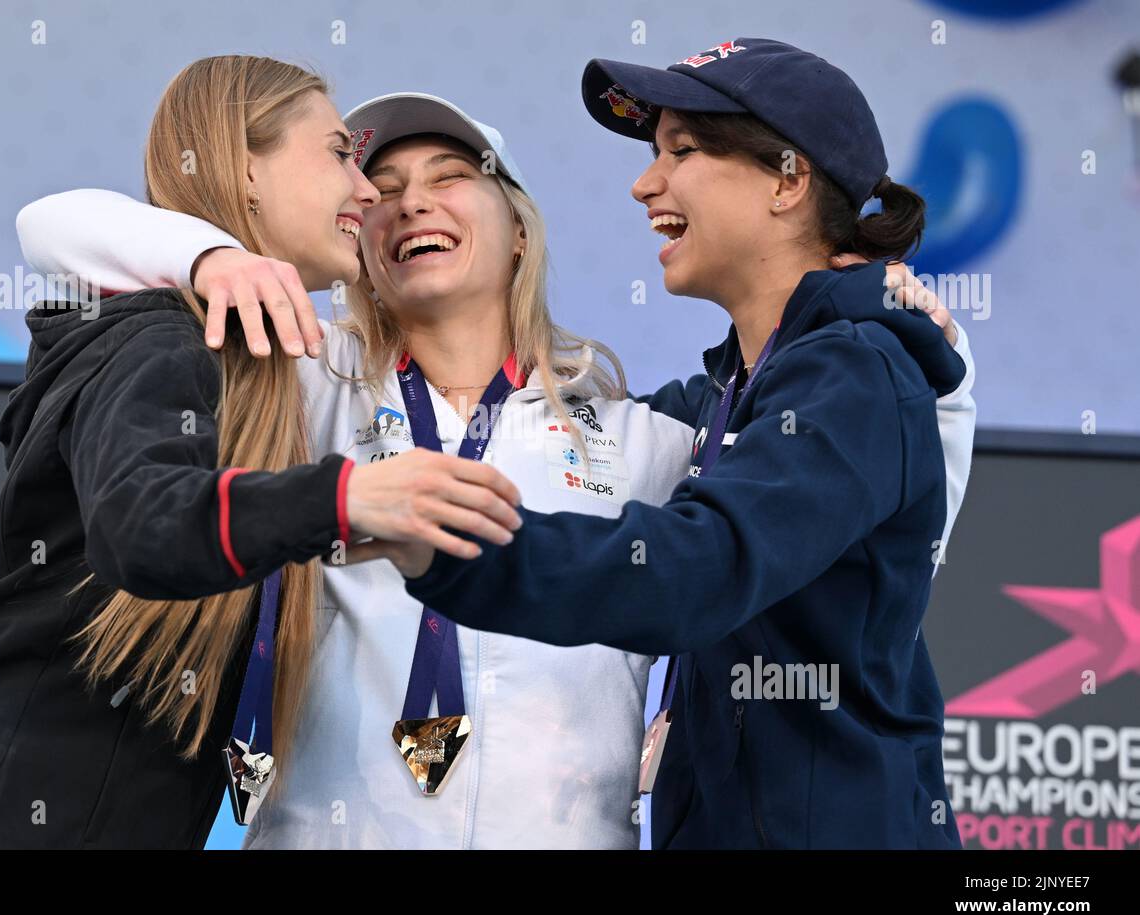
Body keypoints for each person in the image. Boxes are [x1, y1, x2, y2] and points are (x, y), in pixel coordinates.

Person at [15, 82, 974, 848]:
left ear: (519, 224)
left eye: (447, 175)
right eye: (379, 191)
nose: (409, 202)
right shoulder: (297, 390)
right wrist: (209, 259)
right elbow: (53, 230)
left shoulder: (645, 435)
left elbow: (879, 508)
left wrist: (927, 347)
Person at [0, 57, 520, 849]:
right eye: (340, 153)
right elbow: (145, 523)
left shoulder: (276, 367)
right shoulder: (152, 331)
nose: (367, 192)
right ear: (244, 169)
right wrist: (341, 499)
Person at [364, 39, 978, 849]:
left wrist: (438, 542)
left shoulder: (854, 375)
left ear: (789, 180)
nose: (644, 182)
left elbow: (699, 569)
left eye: (682, 150)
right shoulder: (727, 394)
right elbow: (542, 439)